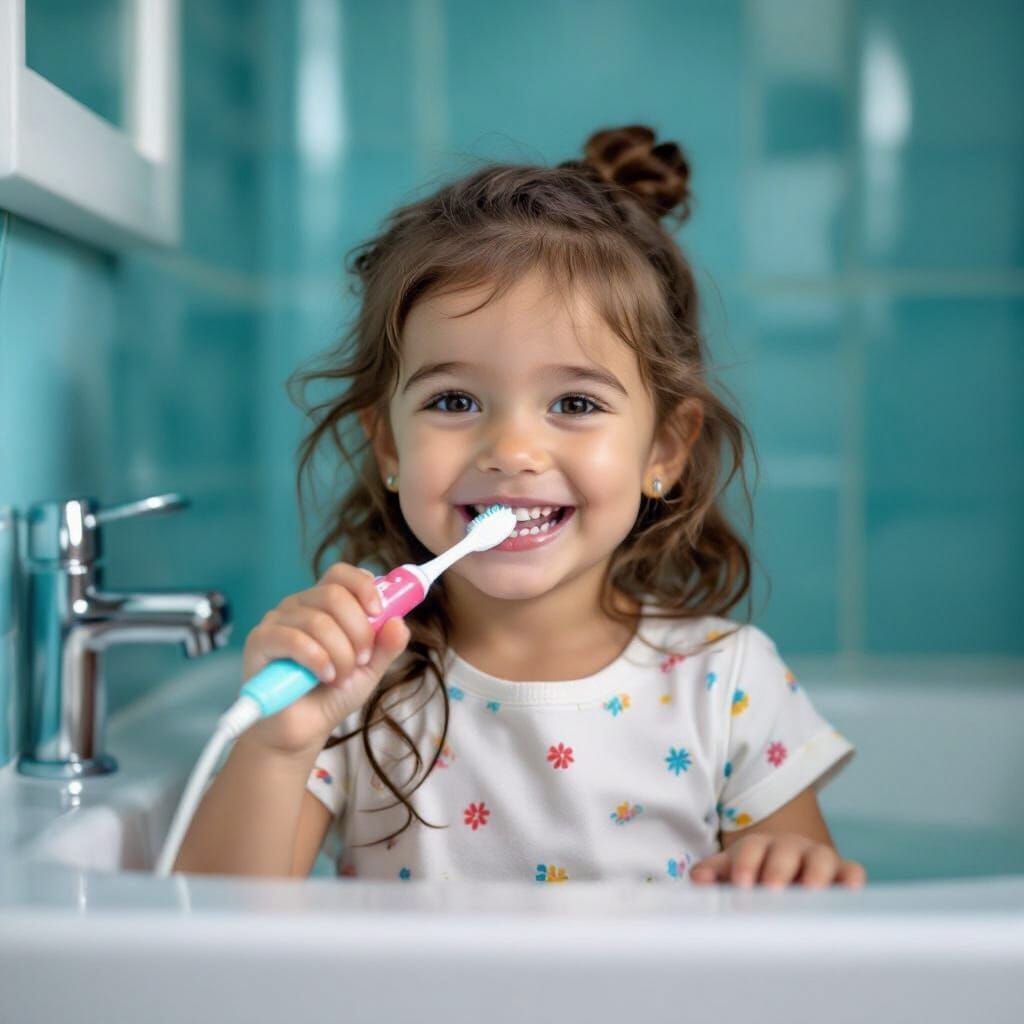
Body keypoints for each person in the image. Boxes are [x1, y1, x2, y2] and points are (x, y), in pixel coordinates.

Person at [174, 125, 864, 889]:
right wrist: (277, 747)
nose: (511, 449)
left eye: (573, 401)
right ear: (391, 448)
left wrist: (791, 871)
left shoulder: (725, 682)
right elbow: (208, 926)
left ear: (664, 450)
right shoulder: (357, 687)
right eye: (455, 399)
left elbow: (809, 932)